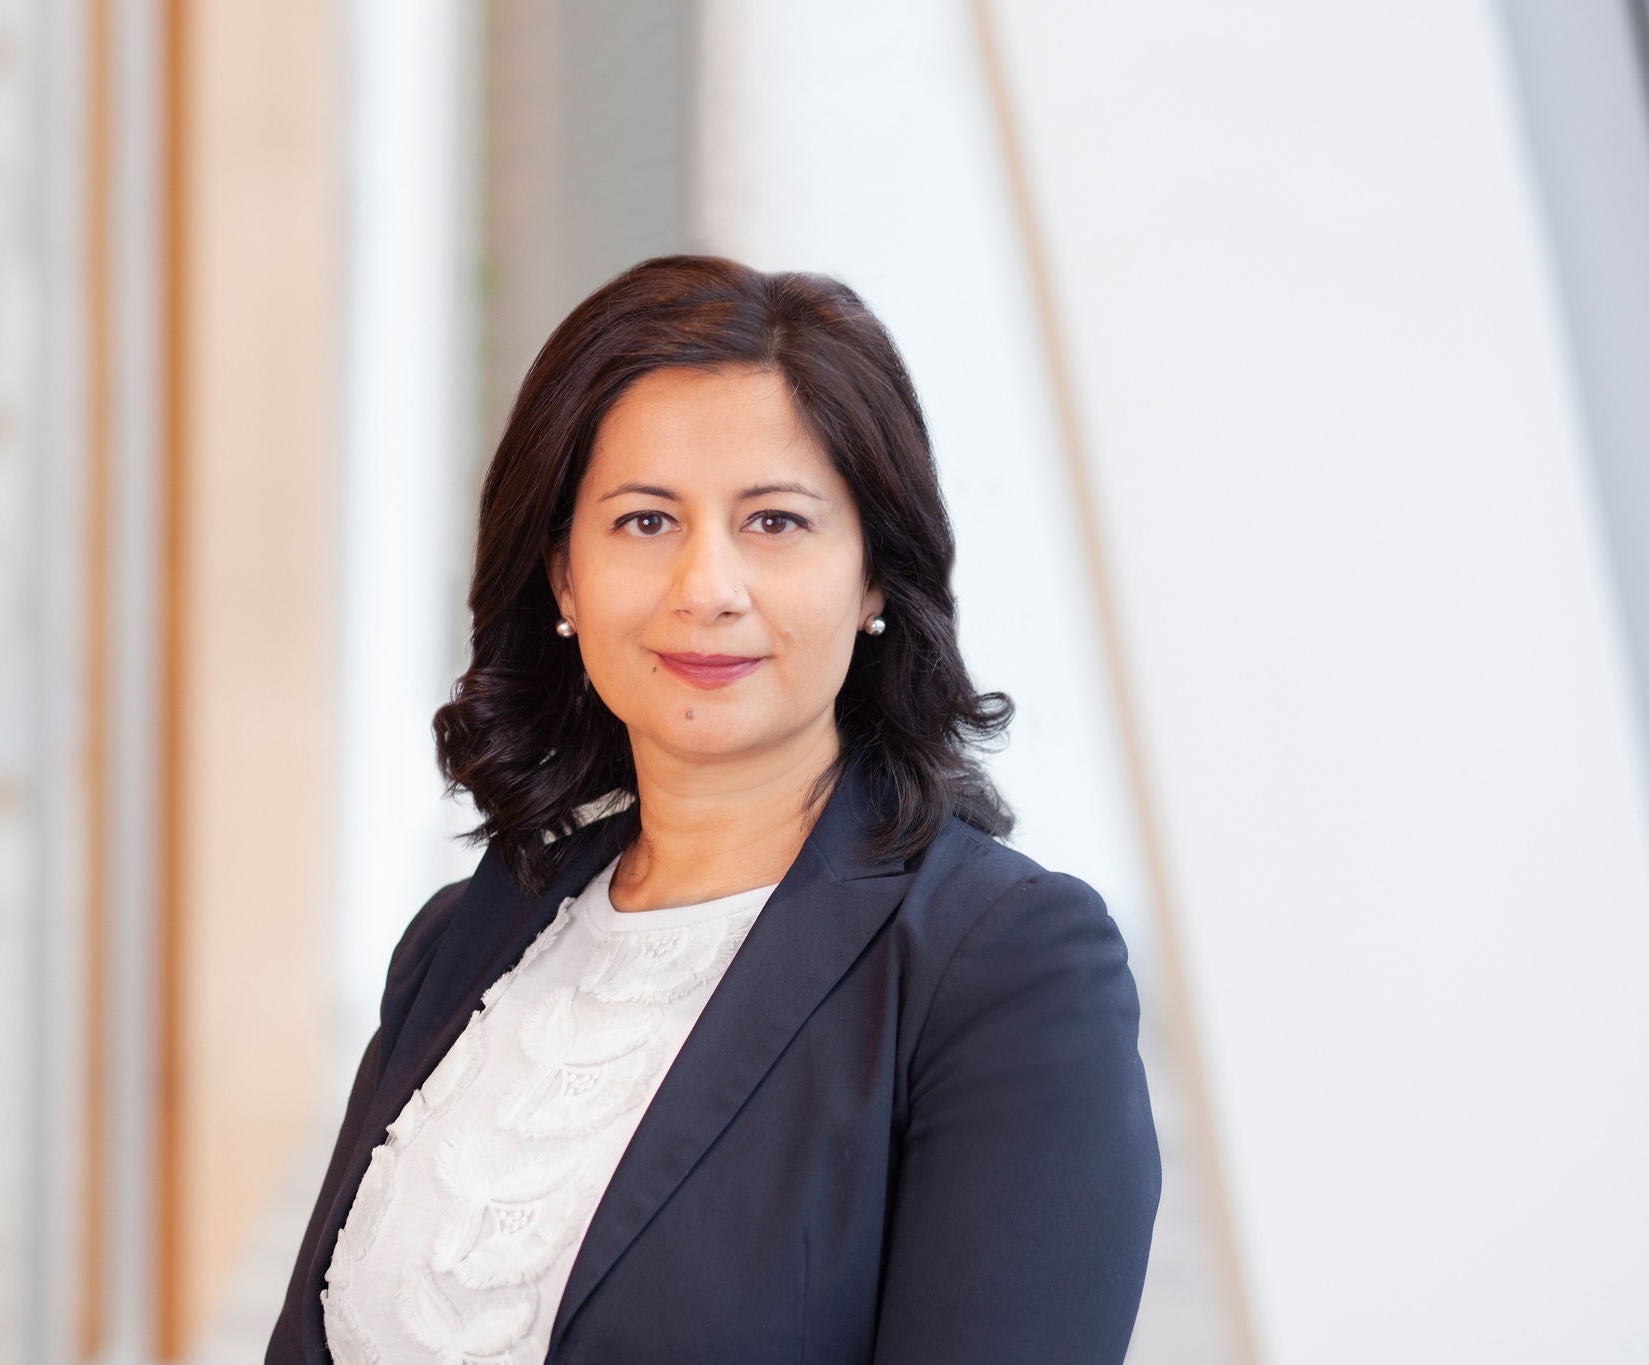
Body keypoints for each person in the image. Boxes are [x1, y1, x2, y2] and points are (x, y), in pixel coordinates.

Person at [266, 255, 1160, 1365]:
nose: (706, 589)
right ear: (563, 577)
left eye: (773, 522)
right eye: (645, 522)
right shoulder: (461, 941)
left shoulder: (1001, 966)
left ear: (873, 576)